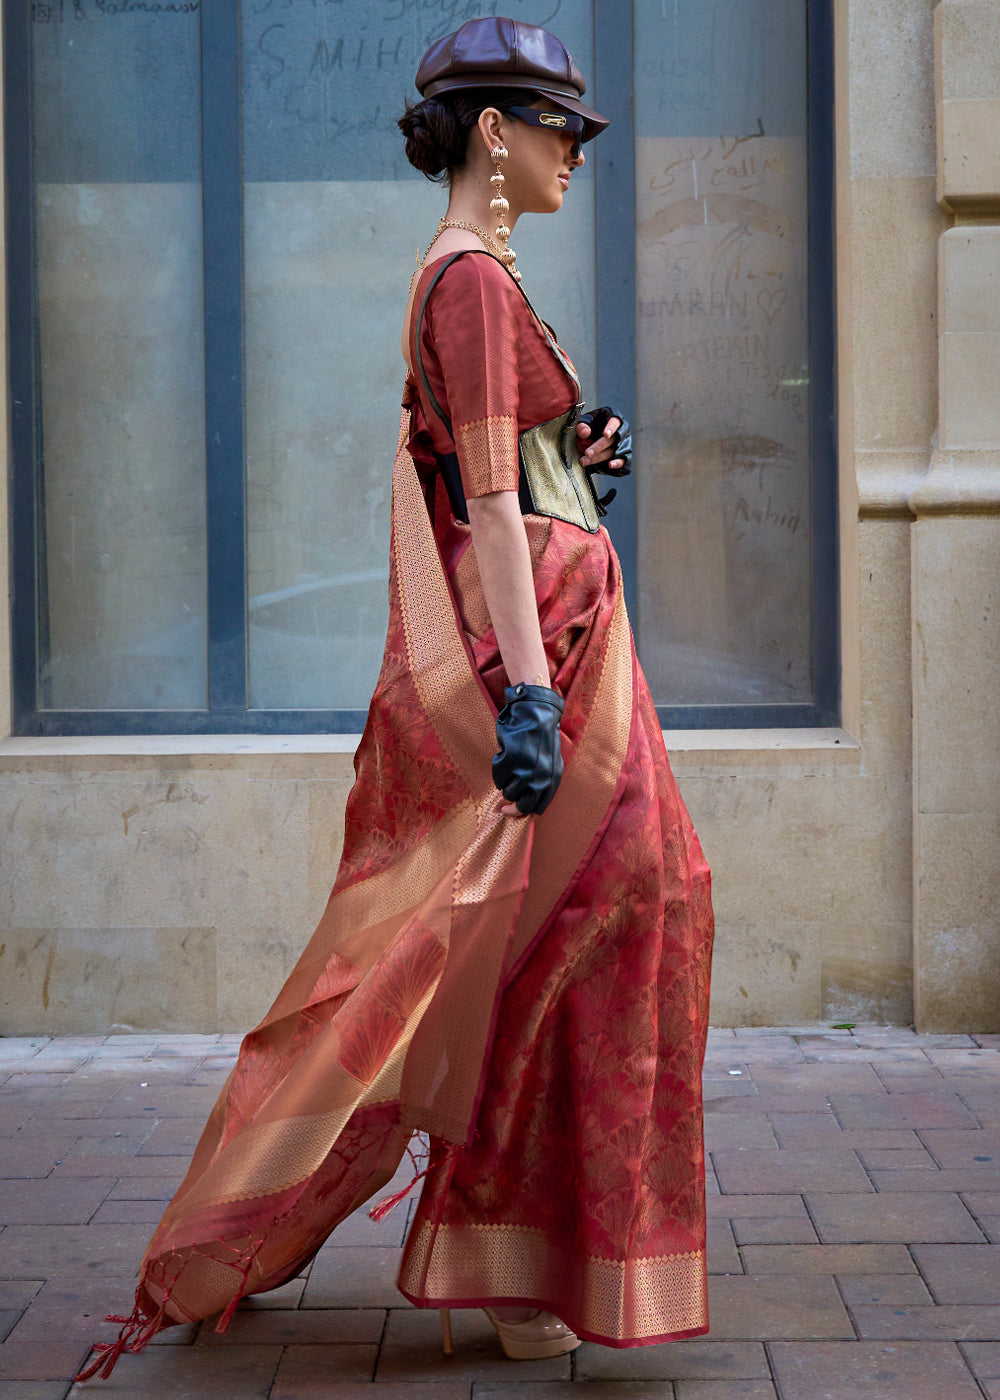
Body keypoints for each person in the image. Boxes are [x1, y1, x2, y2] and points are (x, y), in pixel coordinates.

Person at [78, 17, 714, 1382]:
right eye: (558, 130)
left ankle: (521, 1245)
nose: (571, 156)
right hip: (550, 647)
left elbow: (503, 475)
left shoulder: (479, 279)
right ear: (496, 130)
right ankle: (513, 1247)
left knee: (582, 925)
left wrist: (569, 451)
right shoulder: (470, 283)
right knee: (604, 917)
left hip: (563, 628)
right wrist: (533, 702)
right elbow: (484, 500)